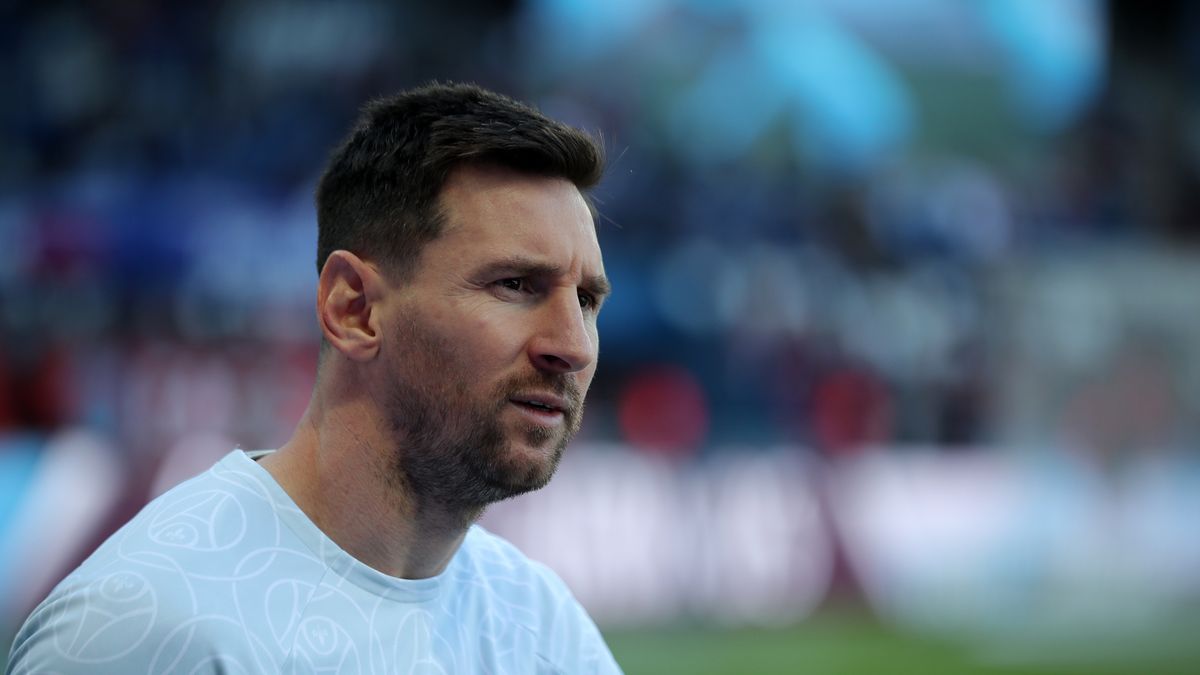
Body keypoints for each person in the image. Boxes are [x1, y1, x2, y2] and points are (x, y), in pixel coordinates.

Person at [7, 82, 621, 674]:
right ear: (352, 309)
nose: (571, 346)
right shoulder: (146, 631)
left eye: (588, 301)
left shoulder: (545, 631)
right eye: (515, 286)